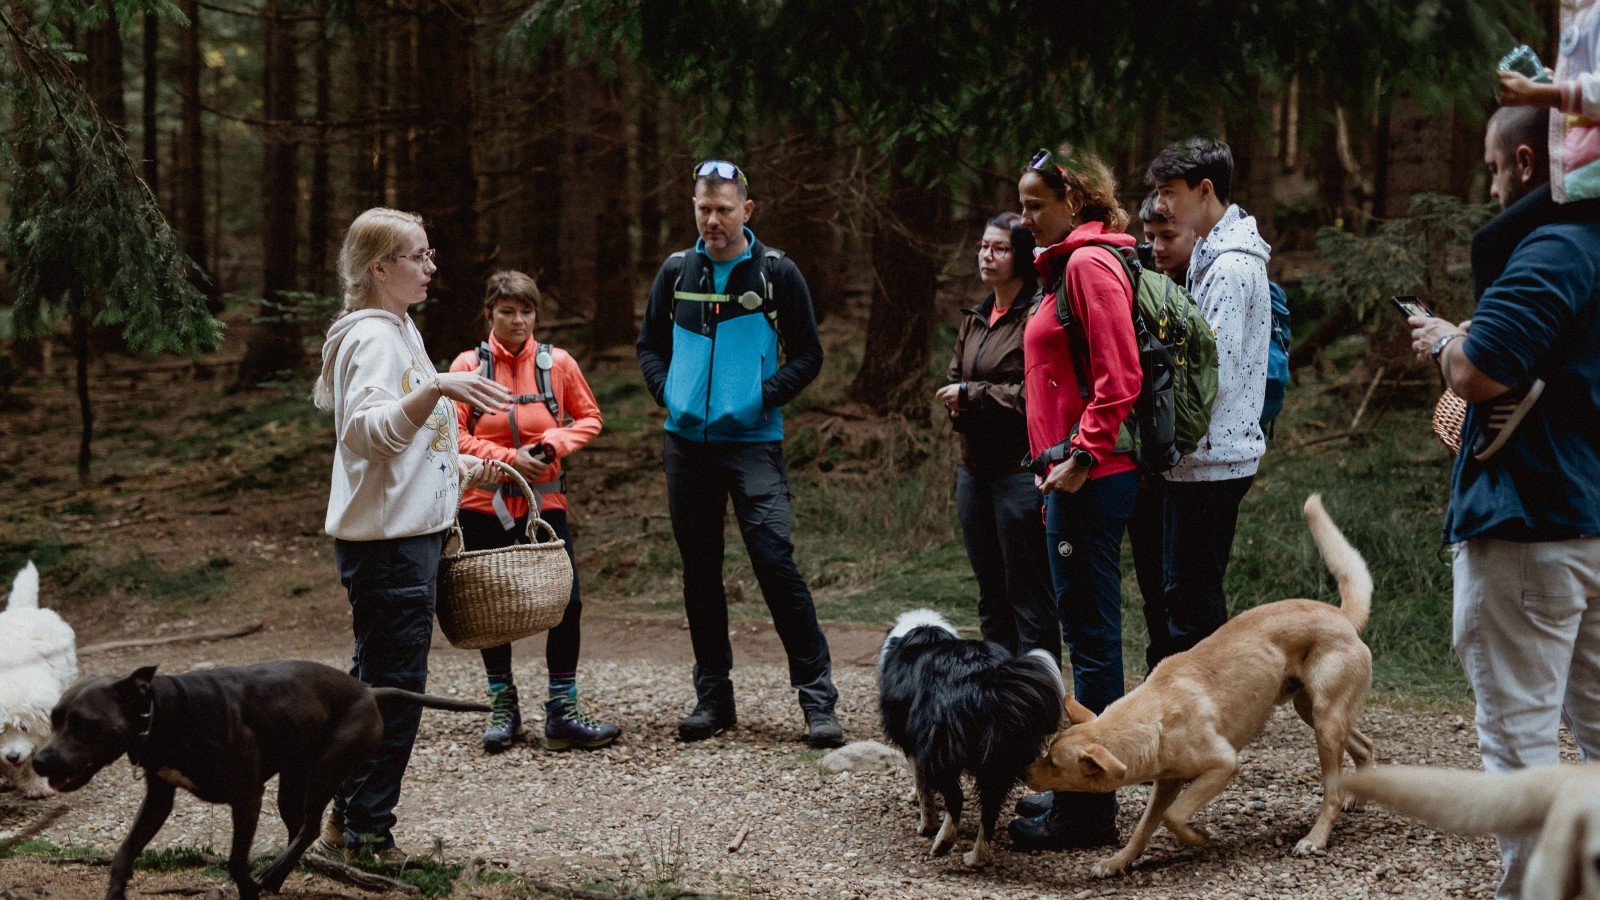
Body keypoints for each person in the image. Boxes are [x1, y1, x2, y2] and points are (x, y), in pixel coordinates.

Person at [1408, 105, 1600, 900]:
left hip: (1530, 524)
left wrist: (1451, 344)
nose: (1490, 186)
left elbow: (1480, 373)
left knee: (1519, 749)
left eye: (1491, 169)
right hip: (1588, 521)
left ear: (1527, 162)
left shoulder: (1558, 241)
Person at [311, 207, 511, 861]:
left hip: (402, 539)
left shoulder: (396, 328)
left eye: (428, 255)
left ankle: (344, 816)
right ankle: (368, 832)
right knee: (394, 694)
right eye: (417, 256)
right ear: (379, 268)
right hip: (387, 547)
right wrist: (438, 388)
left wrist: (478, 467)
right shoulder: (372, 336)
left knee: (371, 686)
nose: (430, 268)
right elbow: (367, 434)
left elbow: (411, 444)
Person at [635, 159, 844, 749]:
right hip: (687, 448)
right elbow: (649, 345)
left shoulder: (776, 272)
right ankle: (713, 698)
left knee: (775, 563)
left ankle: (817, 699)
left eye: (724, 209)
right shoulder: (678, 270)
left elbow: (808, 355)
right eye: (704, 208)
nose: (713, 220)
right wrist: (667, 393)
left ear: (746, 211)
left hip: (753, 445)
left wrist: (759, 399)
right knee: (700, 573)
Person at [1006, 146, 1142, 852]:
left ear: (1074, 200)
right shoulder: (1065, 264)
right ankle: (1081, 800)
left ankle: (1090, 811)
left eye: (1036, 205)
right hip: (1069, 477)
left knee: (1092, 646)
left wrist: (1084, 455)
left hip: (1092, 478)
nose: (1026, 219)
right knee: (1085, 637)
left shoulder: (1088, 265)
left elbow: (1120, 375)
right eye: (1022, 206)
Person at [448, 271, 620, 754]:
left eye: (526, 311)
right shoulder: (466, 366)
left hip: (545, 503)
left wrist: (551, 444)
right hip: (483, 503)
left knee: (567, 603)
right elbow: (452, 435)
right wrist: (505, 459)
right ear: (490, 315)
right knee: (487, 607)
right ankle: (504, 705)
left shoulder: (558, 364)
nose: (518, 320)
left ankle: (562, 710)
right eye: (507, 311)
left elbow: (589, 418)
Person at [1146, 137, 1273, 666]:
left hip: (1213, 458)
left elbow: (1205, 369)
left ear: (1205, 190)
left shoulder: (1230, 266)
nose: (1160, 206)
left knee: (1192, 600)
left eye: (1169, 193)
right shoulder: (1208, 252)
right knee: (1185, 591)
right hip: (1201, 456)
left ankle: (1208, 713)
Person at [934, 212, 1054, 660]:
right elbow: (954, 376)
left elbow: (1037, 395)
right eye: (984, 246)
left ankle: (1040, 694)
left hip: (1020, 473)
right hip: (974, 471)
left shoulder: (1036, 316)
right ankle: (998, 693)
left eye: (999, 248)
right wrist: (961, 399)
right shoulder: (976, 316)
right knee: (990, 591)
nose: (987, 254)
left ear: (1021, 256)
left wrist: (974, 395)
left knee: (1027, 594)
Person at [1129, 192, 1198, 672]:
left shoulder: (1205, 286)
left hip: (1193, 462)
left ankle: (1196, 678)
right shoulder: (1138, 287)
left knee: (1186, 583)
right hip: (1145, 463)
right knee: (1153, 579)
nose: (1155, 246)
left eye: (1167, 236)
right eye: (1149, 237)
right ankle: (1161, 668)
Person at [1495, 0, 1599, 203]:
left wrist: (1545, 94)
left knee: (1495, 233)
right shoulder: (1581, 8)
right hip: (1583, 183)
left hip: (1592, 185)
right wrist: (1552, 85)